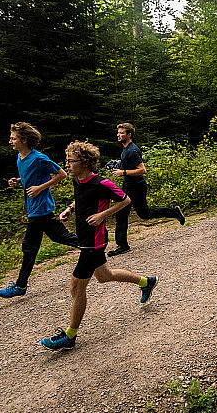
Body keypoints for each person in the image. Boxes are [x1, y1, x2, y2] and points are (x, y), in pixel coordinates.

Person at [40, 141, 157, 350]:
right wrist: (69, 209)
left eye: (71, 160)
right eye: (67, 160)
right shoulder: (77, 180)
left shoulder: (102, 183)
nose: (67, 164)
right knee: (105, 276)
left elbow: (125, 200)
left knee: (76, 287)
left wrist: (103, 215)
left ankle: (70, 335)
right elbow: (82, 199)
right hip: (84, 237)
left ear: (85, 162)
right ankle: (146, 282)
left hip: (94, 241)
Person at [0, 122, 80, 298]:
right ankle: (91, 244)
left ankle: (20, 286)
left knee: (29, 247)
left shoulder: (39, 157)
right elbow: (30, 176)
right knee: (59, 236)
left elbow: (61, 174)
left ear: (24, 140)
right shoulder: (20, 157)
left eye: (13, 138)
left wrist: (40, 188)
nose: (10, 141)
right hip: (34, 208)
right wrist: (18, 181)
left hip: (40, 208)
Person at [109, 123, 185, 257]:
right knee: (127, 214)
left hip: (137, 187)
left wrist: (123, 172)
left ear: (129, 135)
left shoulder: (132, 150)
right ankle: (123, 245)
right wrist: (119, 165)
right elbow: (129, 165)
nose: (118, 135)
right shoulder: (125, 149)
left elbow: (142, 170)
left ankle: (174, 212)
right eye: (118, 132)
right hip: (129, 185)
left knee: (141, 214)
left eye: (121, 133)